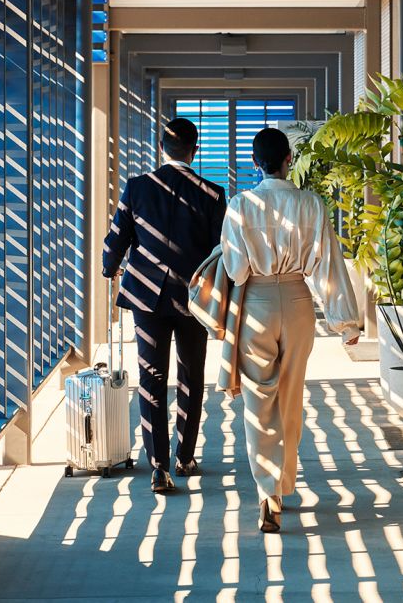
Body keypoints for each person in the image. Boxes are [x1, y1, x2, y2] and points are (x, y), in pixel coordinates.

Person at [220, 127, 360, 533]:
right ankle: (283, 482)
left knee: (258, 401)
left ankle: (269, 493)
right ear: (288, 161)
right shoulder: (310, 204)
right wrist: (344, 322)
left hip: (257, 305)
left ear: (254, 164)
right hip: (298, 304)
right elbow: (328, 264)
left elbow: (235, 269)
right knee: (291, 395)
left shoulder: (240, 205)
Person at [103, 118, 227, 494]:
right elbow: (221, 252)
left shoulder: (138, 187)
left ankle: (158, 467)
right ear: (196, 149)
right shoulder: (212, 194)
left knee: (151, 377)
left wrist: (111, 268)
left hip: (147, 297)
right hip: (193, 297)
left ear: (161, 148)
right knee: (191, 376)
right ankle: (184, 456)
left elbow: (116, 238)